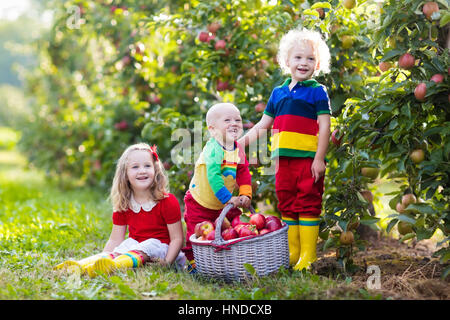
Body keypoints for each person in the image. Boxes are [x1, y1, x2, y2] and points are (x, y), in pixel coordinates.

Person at [238, 28, 331, 271]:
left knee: (308, 202)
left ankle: (309, 256)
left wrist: (319, 158)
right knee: (287, 202)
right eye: (298, 57)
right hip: (282, 161)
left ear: (318, 63)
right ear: (287, 61)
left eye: (310, 59)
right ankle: (293, 252)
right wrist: (241, 143)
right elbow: (263, 125)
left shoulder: (317, 91)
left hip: (308, 160)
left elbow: (324, 126)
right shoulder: (278, 93)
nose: (304, 63)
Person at [54, 143, 186, 277]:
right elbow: (115, 240)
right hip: (135, 249)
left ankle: (114, 266)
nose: (142, 171)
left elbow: (177, 238)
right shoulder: (124, 203)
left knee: (149, 244)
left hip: (163, 249)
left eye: (147, 166)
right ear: (125, 174)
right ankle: (81, 265)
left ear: (155, 170)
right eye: (135, 167)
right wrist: (105, 255)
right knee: (122, 248)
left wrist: (167, 262)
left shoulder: (167, 201)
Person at [182, 103, 252, 272]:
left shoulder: (237, 148)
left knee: (236, 225)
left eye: (238, 120)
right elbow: (213, 177)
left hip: (222, 202)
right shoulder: (213, 149)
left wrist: (245, 193)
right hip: (200, 202)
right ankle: (194, 263)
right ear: (213, 130)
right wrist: (229, 198)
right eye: (227, 120)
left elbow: (243, 171)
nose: (234, 123)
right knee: (196, 233)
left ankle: (232, 257)